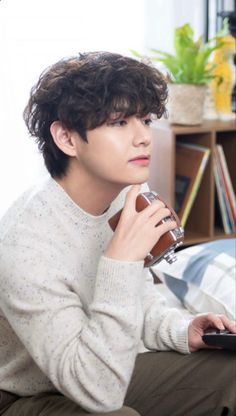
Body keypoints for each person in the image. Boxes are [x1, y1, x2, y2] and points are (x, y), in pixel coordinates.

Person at [0, 52, 235, 416]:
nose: (144, 137)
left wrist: (182, 329)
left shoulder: (123, 196)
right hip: (26, 395)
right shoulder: (25, 245)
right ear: (66, 138)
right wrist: (120, 261)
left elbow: (138, 305)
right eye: (120, 121)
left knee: (230, 369)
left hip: (103, 365)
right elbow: (100, 393)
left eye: (144, 119)